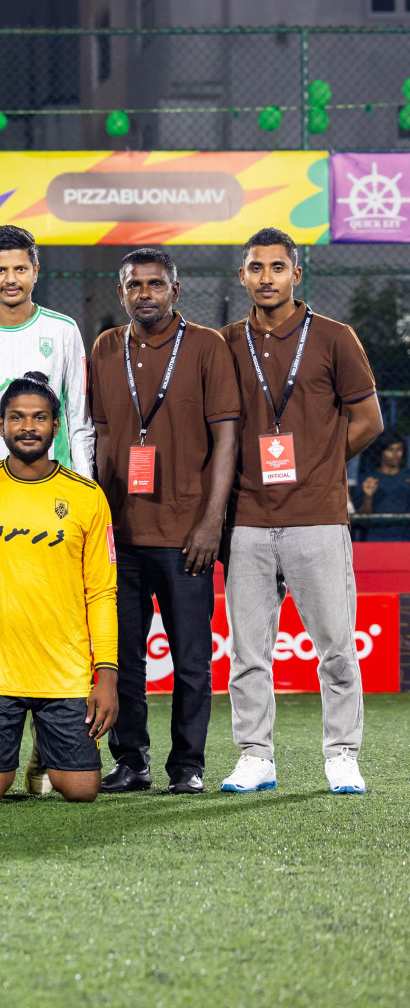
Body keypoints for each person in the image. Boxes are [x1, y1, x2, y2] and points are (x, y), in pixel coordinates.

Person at [219, 227, 381, 795]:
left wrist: (318, 465)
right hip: (246, 519)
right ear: (243, 276)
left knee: (336, 644)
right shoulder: (226, 343)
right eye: (256, 268)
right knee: (248, 650)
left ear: (296, 274)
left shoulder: (336, 338)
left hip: (317, 514)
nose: (267, 278)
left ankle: (341, 754)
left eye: (277, 268)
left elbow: (369, 421)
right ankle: (255, 755)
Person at [87, 248, 240, 796]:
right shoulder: (107, 347)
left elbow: (227, 439)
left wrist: (210, 522)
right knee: (122, 658)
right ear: (122, 292)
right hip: (121, 536)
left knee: (191, 661)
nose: (144, 293)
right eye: (134, 285)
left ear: (175, 289)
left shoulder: (206, 346)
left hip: (185, 537)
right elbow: (102, 437)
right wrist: (98, 517)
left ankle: (188, 766)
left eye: (155, 283)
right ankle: (132, 761)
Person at [0, 372, 118, 804]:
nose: (27, 427)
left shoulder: (87, 495)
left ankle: (46, 747)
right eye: (16, 417)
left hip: (64, 674)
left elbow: (102, 592)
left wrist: (107, 676)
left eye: (39, 418)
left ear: (56, 427)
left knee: (81, 791)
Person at [0, 225, 92, 474]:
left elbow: (79, 420)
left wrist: (86, 483)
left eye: (20, 269)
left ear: (35, 272)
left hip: (51, 480)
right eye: (1, 270)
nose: (11, 279)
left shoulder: (63, 331)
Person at [353, 434, 410, 541]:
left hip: (405, 536)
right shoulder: (369, 479)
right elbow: (362, 516)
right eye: (390, 450)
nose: (396, 454)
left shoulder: (408, 478)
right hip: (376, 536)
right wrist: (368, 496)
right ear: (381, 452)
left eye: (399, 449)